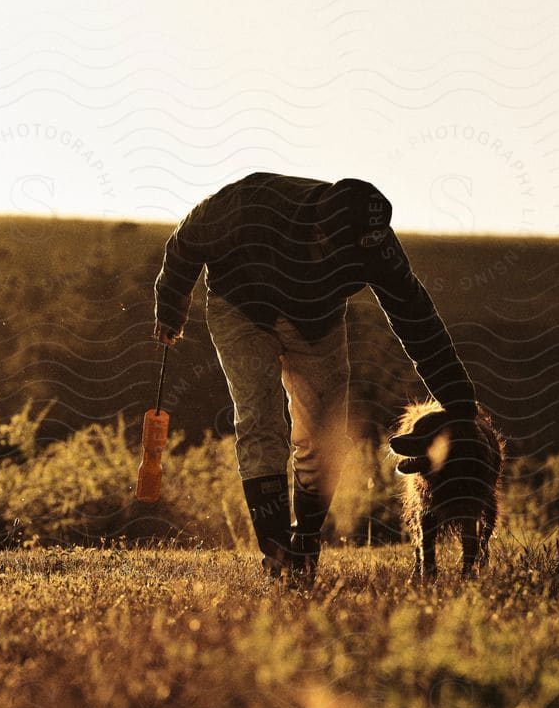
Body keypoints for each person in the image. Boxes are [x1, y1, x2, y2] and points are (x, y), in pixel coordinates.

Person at [152, 173, 480, 579]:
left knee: (324, 433)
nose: (351, 262)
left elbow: (416, 319)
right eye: (341, 251)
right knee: (261, 416)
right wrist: (171, 307)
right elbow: (187, 240)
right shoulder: (253, 203)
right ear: (320, 231)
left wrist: (461, 405)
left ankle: (305, 539)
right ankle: (276, 553)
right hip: (240, 306)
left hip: (316, 319)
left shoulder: (378, 246)